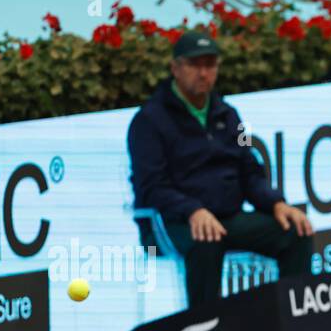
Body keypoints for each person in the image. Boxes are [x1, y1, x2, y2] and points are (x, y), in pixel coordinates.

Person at [127, 29, 314, 308]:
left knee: (295, 231)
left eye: (210, 65)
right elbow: (151, 187)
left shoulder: (228, 115)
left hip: (227, 218)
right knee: (206, 240)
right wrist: (193, 210)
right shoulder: (148, 121)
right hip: (170, 224)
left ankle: (292, 323)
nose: (203, 73)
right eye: (194, 65)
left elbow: (250, 170)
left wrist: (276, 203)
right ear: (175, 68)